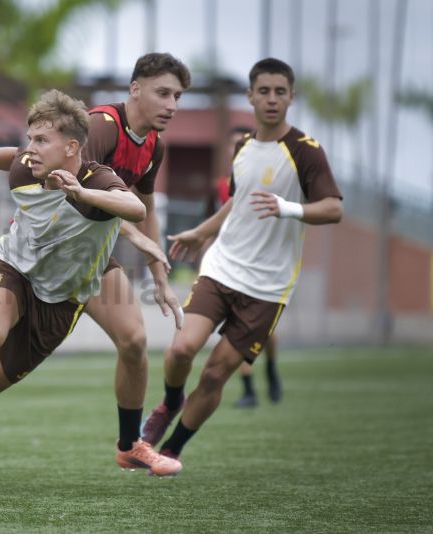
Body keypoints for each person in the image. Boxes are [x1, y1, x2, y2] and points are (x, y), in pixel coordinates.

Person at [0, 53, 191, 473]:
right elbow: (64, 179)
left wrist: (159, 277)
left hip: (84, 258)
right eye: (164, 93)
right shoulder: (97, 128)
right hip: (41, 251)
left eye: (178, 96)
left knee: (133, 341)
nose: (172, 104)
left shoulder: (151, 144)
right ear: (135, 89)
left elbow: (137, 206)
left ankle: (129, 443)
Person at [140, 58, 343, 465]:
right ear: (250, 96)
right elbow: (239, 198)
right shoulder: (243, 146)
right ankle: (170, 402)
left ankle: (173, 450)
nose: (271, 99)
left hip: (268, 286)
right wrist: (203, 231)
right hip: (222, 266)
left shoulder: (306, 152)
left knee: (215, 374)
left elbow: (333, 209)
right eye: (263, 91)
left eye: (280, 92)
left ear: (291, 97)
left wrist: (290, 209)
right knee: (182, 349)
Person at [217, 127, 284, 409]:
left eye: (243, 145)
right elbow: (213, 223)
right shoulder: (221, 186)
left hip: (265, 264)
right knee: (237, 324)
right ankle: (248, 390)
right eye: (234, 146)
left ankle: (270, 366)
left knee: (264, 329)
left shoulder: (269, 183)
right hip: (232, 263)